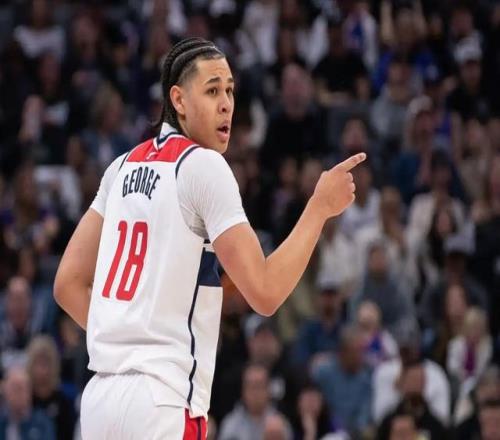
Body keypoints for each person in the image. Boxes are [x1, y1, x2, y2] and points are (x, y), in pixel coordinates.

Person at [53, 37, 366, 439]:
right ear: (179, 100)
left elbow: (67, 284)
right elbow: (265, 292)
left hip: (100, 400)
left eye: (230, 91)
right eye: (213, 91)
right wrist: (319, 208)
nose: (226, 104)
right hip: (162, 400)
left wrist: (125, 342)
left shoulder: (119, 168)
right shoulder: (203, 166)